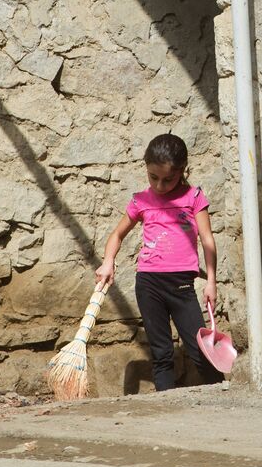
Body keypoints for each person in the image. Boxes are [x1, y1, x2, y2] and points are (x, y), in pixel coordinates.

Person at [95, 133, 224, 391]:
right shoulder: (141, 201)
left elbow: (208, 240)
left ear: (182, 171)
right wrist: (108, 261)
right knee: (162, 353)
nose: (160, 185)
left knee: (200, 351)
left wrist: (211, 281)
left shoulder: (194, 198)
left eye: (168, 179)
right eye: (153, 177)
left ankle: (222, 400)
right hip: (149, 284)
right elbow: (117, 234)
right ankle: (166, 408)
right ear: (146, 168)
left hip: (182, 286)